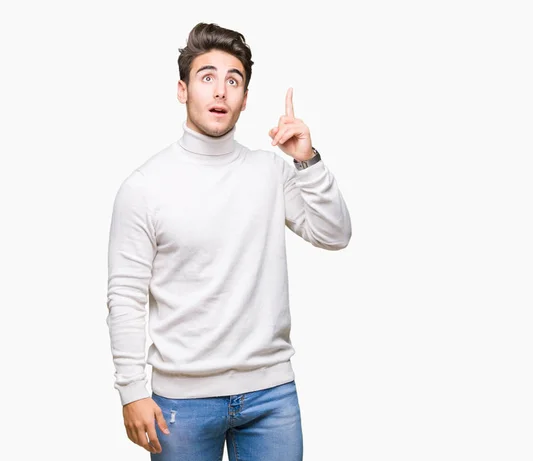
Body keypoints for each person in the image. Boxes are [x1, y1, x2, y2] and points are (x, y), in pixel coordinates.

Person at [106, 21, 352, 461]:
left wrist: (307, 161)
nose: (220, 91)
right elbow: (125, 295)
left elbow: (335, 234)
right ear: (182, 90)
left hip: (271, 396)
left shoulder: (271, 172)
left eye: (232, 80)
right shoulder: (144, 187)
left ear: (243, 99)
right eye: (207, 77)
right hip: (180, 402)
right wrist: (130, 390)